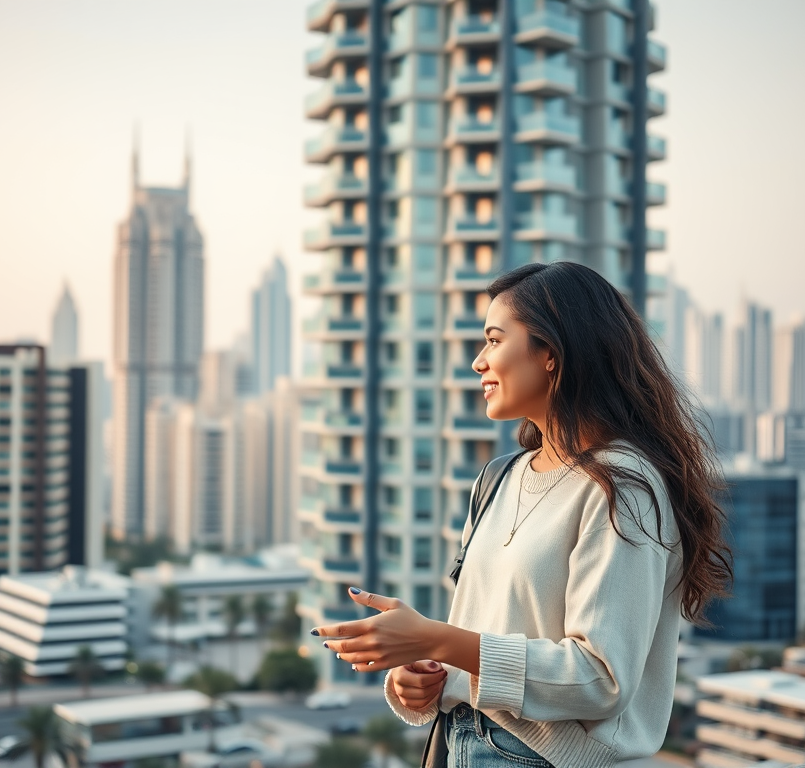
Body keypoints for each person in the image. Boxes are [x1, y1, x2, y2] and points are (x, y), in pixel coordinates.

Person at [310, 262, 732, 768]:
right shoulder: (498, 478)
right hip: (457, 743)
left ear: (550, 354)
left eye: (493, 340)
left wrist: (435, 637)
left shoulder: (623, 486)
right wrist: (425, 674)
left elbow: (601, 678)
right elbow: (489, 636)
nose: (478, 362)